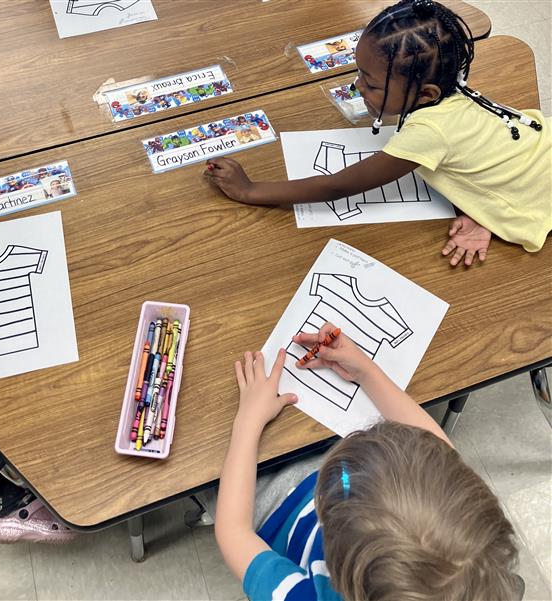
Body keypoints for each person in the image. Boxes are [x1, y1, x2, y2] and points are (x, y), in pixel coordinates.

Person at [205, 0, 551, 267]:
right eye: (359, 73)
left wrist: (251, 190)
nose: (357, 87)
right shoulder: (453, 90)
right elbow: (489, 156)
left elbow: (337, 186)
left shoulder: (428, 132)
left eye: (371, 84)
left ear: (426, 94)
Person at [214, 322, 522, 600]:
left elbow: (233, 531)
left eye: (343, 481)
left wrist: (249, 418)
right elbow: (440, 451)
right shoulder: (476, 555)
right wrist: (366, 371)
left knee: (210, 475)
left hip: (280, 511)